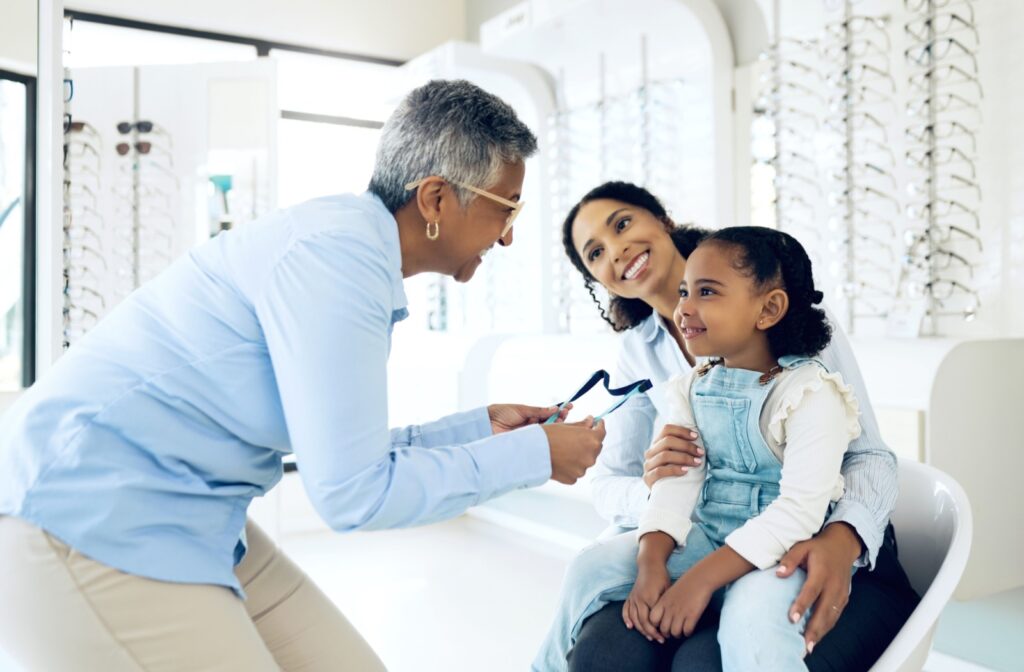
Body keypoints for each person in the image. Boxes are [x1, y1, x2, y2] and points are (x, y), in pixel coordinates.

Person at [0, 79, 606, 671]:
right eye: (506, 208)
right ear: (436, 200)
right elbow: (354, 494)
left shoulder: (350, 248)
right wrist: (534, 456)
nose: (508, 236)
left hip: (194, 514)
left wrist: (480, 428)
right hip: (84, 514)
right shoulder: (337, 263)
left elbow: (350, 456)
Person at [554, 182, 919, 671]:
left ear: (662, 219)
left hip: (807, 538)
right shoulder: (640, 358)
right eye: (595, 253)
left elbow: (867, 457)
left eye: (622, 224)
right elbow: (609, 486)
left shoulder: (798, 330)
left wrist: (843, 535)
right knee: (602, 654)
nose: (616, 250)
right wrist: (660, 490)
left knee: (703, 661)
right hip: (702, 540)